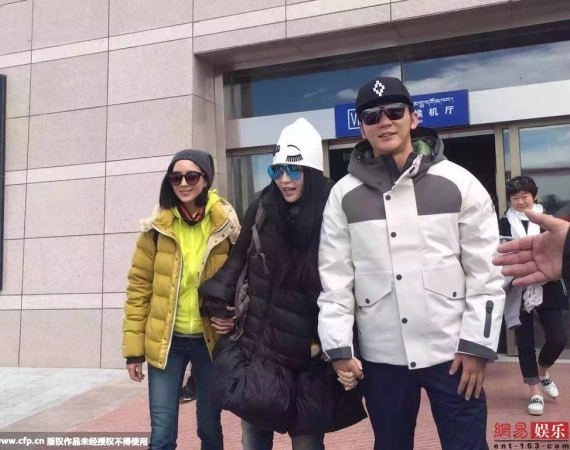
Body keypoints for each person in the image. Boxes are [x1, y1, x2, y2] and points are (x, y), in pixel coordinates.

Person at [317, 77, 505, 450]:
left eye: (394, 111)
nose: (384, 121)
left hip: (454, 353)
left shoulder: (459, 182)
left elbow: (486, 272)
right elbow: (335, 279)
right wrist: (338, 348)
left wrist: (477, 345)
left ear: (413, 118)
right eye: (372, 116)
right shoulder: (343, 195)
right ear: (362, 128)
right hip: (382, 358)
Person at [199, 118, 366, 450]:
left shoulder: (335, 212)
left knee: (307, 444)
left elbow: (354, 286)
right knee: (254, 440)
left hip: (312, 358)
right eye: (277, 170)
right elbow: (235, 263)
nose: (285, 180)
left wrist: (348, 351)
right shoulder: (262, 208)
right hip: (262, 352)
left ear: (312, 172)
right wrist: (218, 305)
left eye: (294, 170)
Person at [122, 149, 240, 450]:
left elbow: (245, 281)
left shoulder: (226, 224)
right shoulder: (156, 228)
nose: (183, 183)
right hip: (167, 341)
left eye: (191, 176)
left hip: (209, 341)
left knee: (210, 428)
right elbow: (139, 289)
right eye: (176, 178)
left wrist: (235, 316)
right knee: (162, 434)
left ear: (206, 179)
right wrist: (134, 352)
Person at [498, 176, 568, 415]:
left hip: (547, 283)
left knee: (558, 338)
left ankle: (543, 371)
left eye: (525, 196)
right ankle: (535, 391)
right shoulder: (502, 224)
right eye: (515, 198)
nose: (520, 202)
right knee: (525, 342)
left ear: (534, 196)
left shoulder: (548, 219)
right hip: (517, 285)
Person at [494, 210, 570, 287]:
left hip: (551, 280)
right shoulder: (504, 222)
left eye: (524, 197)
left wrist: (566, 244)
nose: (520, 203)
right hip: (519, 277)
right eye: (515, 200)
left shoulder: (548, 216)